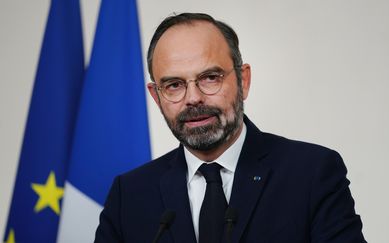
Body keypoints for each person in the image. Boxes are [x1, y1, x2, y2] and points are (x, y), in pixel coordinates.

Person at [95, 13, 366, 243]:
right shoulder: (128, 195)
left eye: (210, 78)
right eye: (174, 85)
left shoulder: (311, 173)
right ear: (156, 97)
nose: (193, 98)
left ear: (243, 80)